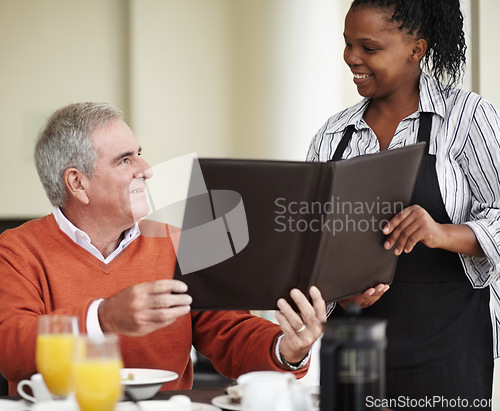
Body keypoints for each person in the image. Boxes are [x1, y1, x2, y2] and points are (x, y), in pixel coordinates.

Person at [0, 102, 327, 395]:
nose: (146, 170)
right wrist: (103, 318)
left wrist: (287, 348)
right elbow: (10, 347)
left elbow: (230, 332)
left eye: (139, 153)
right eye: (125, 160)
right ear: (77, 184)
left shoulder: (185, 240)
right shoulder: (15, 250)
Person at [307, 0, 500, 409]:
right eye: (347, 44)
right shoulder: (332, 134)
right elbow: (308, 242)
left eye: (369, 48)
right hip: (352, 346)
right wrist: (339, 295)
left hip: (446, 350)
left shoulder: (466, 118)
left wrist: (443, 233)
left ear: (416, 49)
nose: (352, 58)